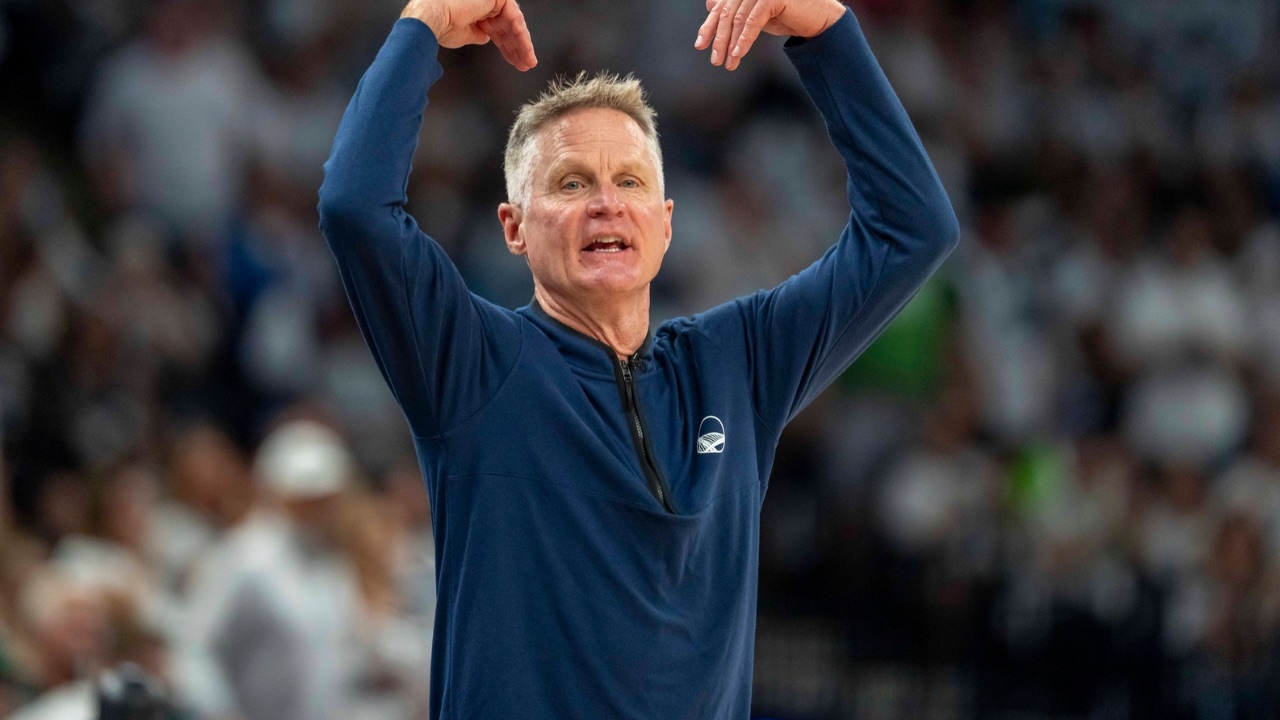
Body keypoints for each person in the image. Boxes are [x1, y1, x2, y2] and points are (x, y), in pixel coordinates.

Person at [317, 0, 959, 715]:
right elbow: (354, 206)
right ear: (514, 227)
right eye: (570, 183)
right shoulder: (471, 363)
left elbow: (914, 229)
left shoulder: (736, 363)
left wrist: (827, 31)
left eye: (630, 182)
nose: (606, 204)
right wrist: (425, 22)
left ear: (665, 223)